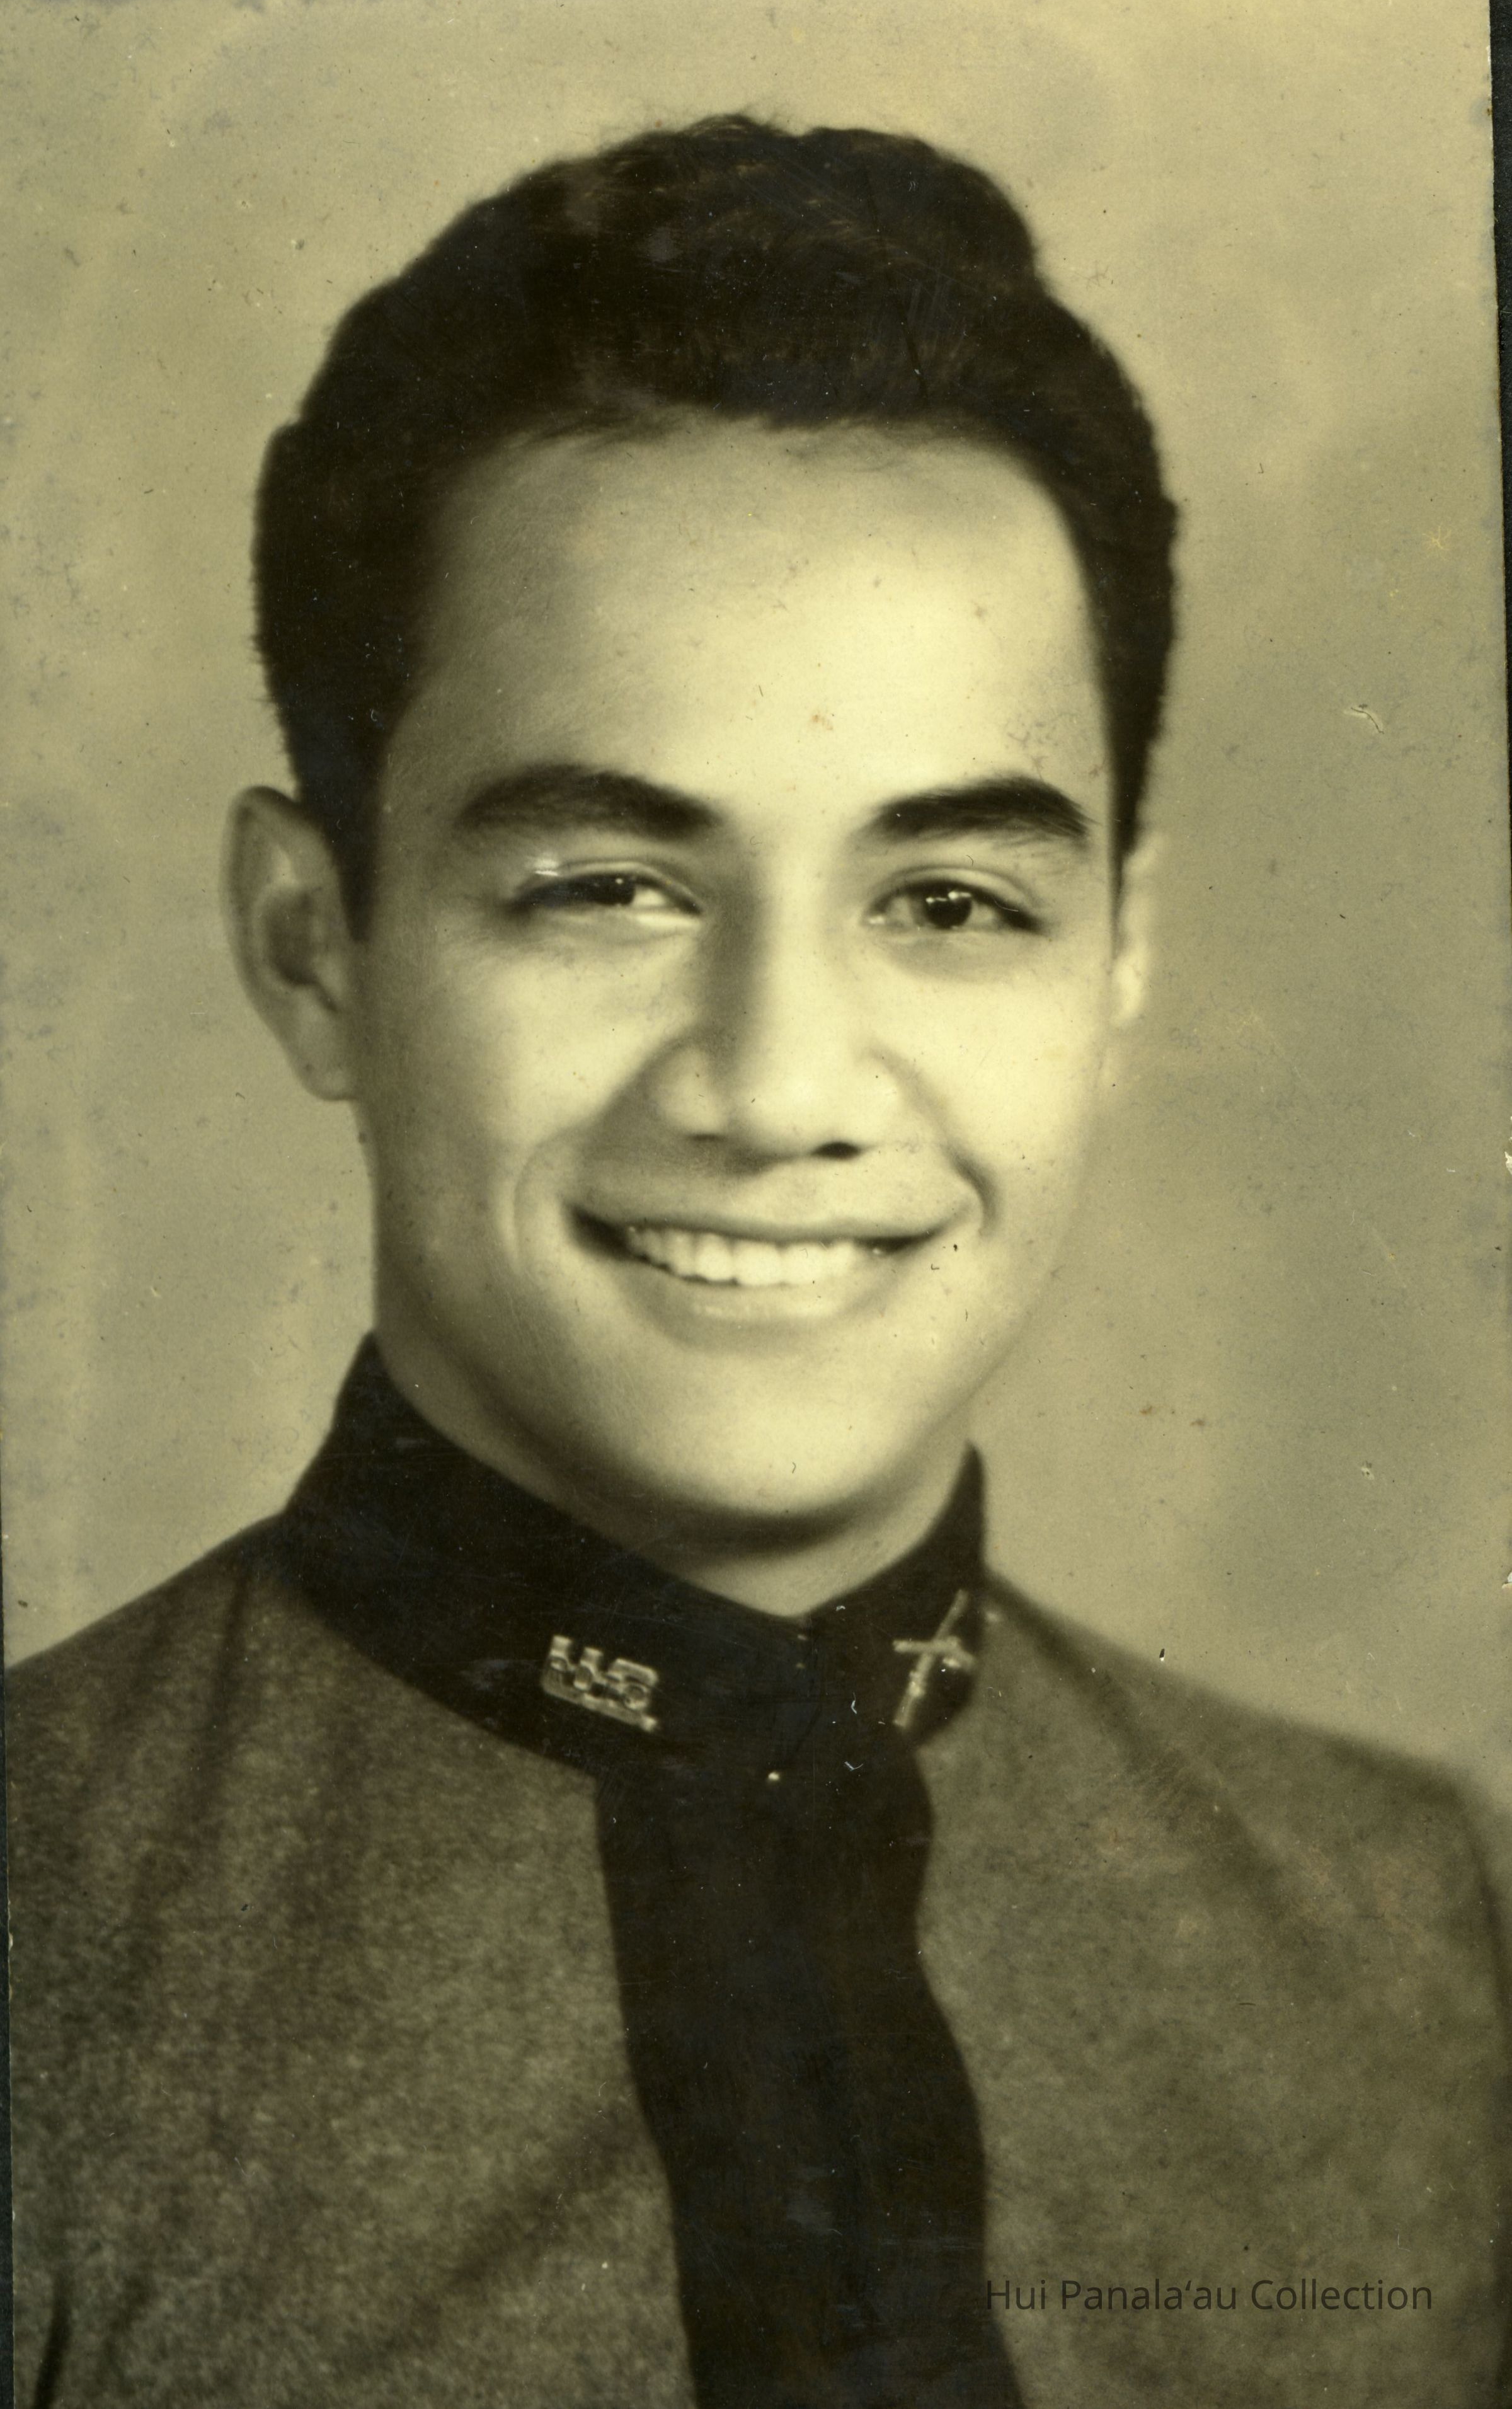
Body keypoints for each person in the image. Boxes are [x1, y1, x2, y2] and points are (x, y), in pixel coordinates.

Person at [8, 115, 1506, 2409]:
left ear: (1116, 966)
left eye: (955, 901)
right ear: (316, 949)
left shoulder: (1411, 1949)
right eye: (610, 885)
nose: (782, 1082)